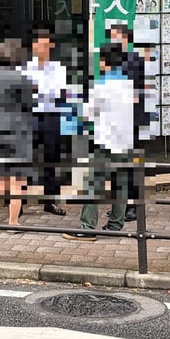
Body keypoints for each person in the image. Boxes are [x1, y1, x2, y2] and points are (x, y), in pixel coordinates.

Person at [64, 41, 135, 240]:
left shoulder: (102, 86)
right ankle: (115, 225)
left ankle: (88, 228)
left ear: (104, 62)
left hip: (105, 142)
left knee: (93, 185)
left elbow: (87, 115)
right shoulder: (128, 84)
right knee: (120, 184)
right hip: (125, 141)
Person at [0, 38, 36, 229]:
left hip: (0, 132)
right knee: (18, 181)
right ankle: (13, 222)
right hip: (19, 132)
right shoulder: (23, 79)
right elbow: (30, 104)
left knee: (1, 179)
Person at [24, 29, 68, 217]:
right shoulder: (27, 67)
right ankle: (19, 203)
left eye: (45, 44)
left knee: (51, 159)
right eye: (38, 44)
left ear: (50, 45)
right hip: (30, 116)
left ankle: (50, 201)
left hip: (51, 116)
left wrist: (38, 88)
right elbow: (23, 91)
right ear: (34, 46)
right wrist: (41, 89)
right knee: (25, 159)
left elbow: (57, 92)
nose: (41, 48)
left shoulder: (58, 68)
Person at [107, 23, 145, 221]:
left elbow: (132, 94)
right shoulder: (111, 61)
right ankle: (119, 206)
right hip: (115, 121)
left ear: (125, 39)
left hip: (129, 121)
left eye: (116, 37)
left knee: (131, 165)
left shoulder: (133, 60)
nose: (114, 40)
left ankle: (133, 205)